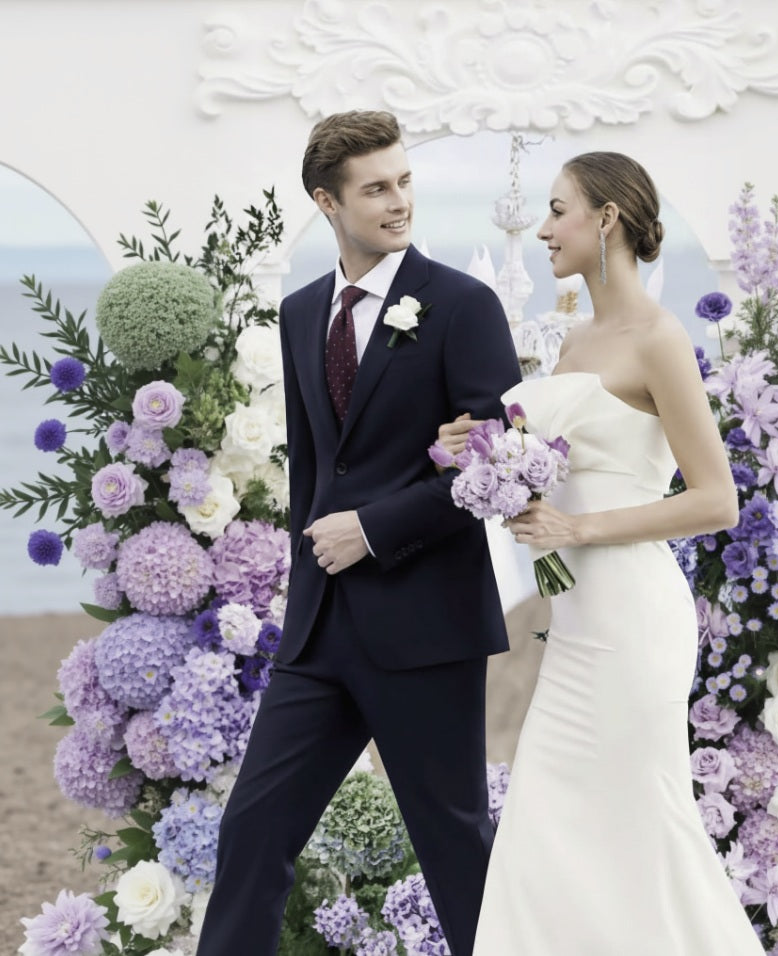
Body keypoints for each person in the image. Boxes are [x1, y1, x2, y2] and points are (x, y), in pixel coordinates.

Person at [196, 110, 521, 956]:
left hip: (426, 627)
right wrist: (315, 564)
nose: (398, 201)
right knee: (253, 835)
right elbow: (316, 470)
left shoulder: (463, 306)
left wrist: (373, 529)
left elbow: (497, 467)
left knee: (456, 850)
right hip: (318, 632)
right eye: (376, 188)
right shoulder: (302, 312)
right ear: (327, 202)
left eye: (404, 181)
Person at [438, 152, 765, 954]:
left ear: (607, 219)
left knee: (637, 826)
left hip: (633, 619)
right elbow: (560, 456)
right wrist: (477, 446)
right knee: (553, 834)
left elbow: (715, 499)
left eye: (559, 211)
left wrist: (578, 530)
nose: (545, 229)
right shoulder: (577, 337)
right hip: (576, 621)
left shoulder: (659, 337)